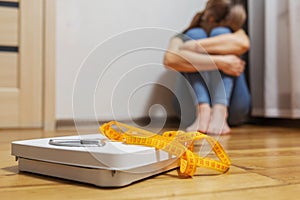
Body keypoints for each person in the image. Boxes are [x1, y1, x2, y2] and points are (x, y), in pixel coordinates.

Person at [163, 0, 250, 135]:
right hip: (191, 109)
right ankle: (203, 109)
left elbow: (243, 44)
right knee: (194, 34)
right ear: (210, 19)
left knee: (221, 33)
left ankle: (221, 110)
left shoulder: (234, 32)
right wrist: (221, 61)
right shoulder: (184, 35)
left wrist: (194, 47)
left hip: (233, 108)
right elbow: (170, 59)